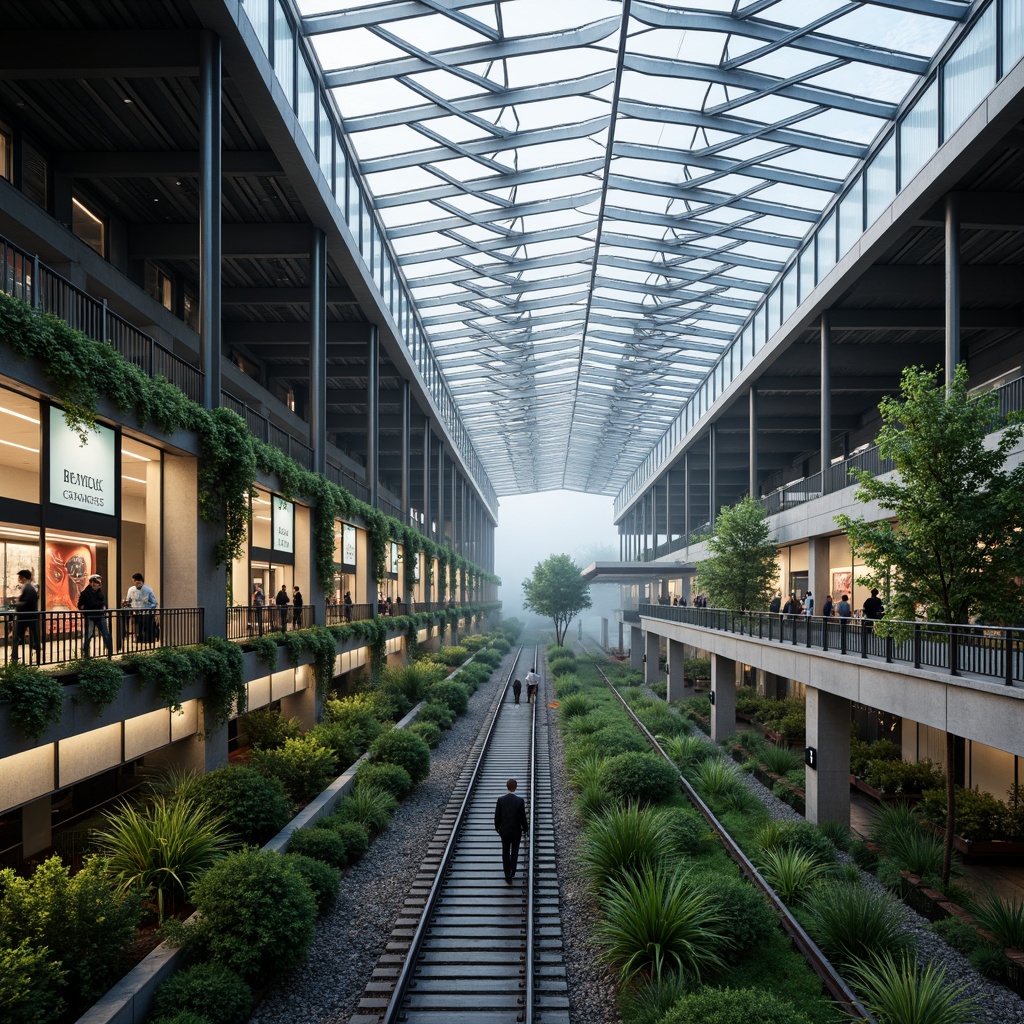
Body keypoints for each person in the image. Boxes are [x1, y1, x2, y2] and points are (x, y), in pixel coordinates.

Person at [494, 778, 528, 885]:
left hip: (504, 831)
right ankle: (513, 871)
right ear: (516, 787)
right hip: (516, 831)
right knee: (515, 851)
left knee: (505, 851)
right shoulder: (520, 801)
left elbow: (497, 816)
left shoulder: (501, 800)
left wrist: (497, 828)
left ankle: (507, 873)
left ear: (507, 787)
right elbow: (522, 818)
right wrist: (525, 829)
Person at [78, 574, 113, 658]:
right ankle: (86, 654)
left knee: (106, 634)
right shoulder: (85, 593)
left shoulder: (100, 592)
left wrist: (103, 607)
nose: (96, 585)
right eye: (95, 582)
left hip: (99, 615)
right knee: (88, 635)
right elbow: (80, 606)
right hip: (90, 616)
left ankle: (110, 653)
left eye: (98, 583)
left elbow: (104, 603)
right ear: (91, 583)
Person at [11, 568, 41, 664]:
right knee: (32, 636)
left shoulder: (28, 588)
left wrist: (16, 604)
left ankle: (14, 658)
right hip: (29, 617)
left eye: (20, 577)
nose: (19, 579)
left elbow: (26, 603)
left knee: (16, 637)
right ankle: (36, 652)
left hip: (24, 617)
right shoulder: (30, 588)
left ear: (23, 578)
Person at [126, 572, 158, 643]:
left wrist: (148, 609)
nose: (133, 582)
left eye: (134, 580)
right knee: (137, 627)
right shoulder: (131, 590)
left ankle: (147, 640)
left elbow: (155, 603)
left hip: (146, 613)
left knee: (146, 627)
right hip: (136, 612)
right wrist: (127, 604)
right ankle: (138, 639)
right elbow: (128, 600)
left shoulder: (148, 590)